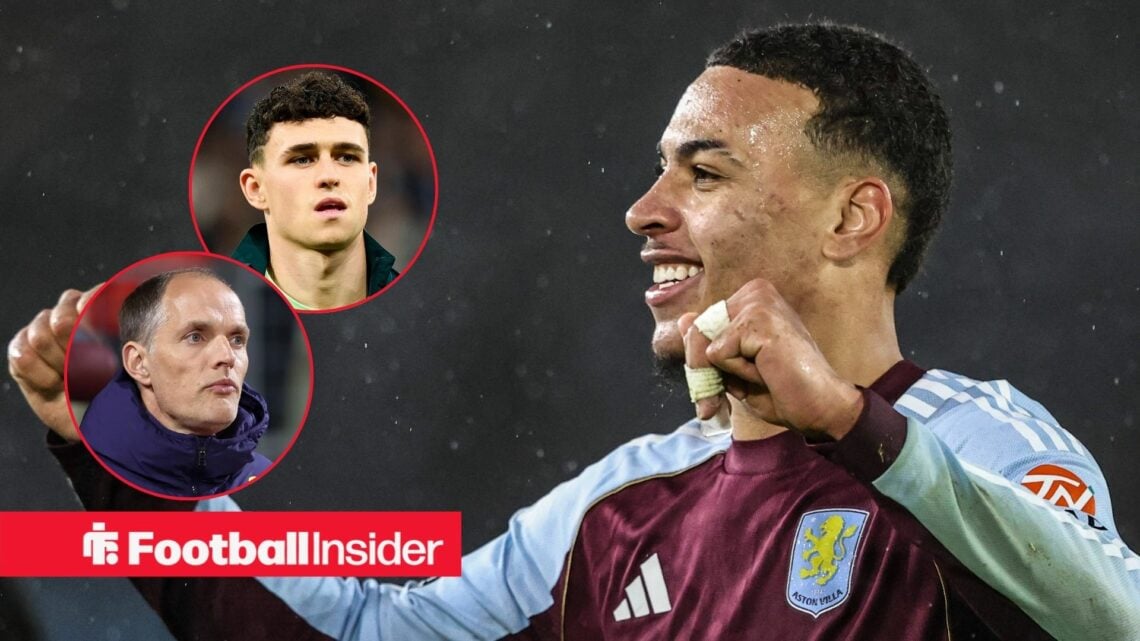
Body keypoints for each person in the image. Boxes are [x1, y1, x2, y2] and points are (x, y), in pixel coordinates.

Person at [8, 23, 1139, 640]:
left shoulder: (978, 444)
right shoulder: (617, 506)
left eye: (704, 172)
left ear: (853, 218)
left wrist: (851, 424)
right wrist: (125, 462)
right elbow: (361, 633)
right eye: (659, 170)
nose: (644, 210)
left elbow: (1113, 618)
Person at [76, 269, 271, 497]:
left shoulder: (264, 476)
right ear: (139, 363)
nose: (227, 356)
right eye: (195, 337)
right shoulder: (85, 480)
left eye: (237, 340)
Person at [234, 71, 398, 310]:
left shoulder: (420, 306)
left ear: (371, 183)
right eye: (302, 159)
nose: (329, 177)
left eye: (347, 157)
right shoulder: (214, 306)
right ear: (256, 188)